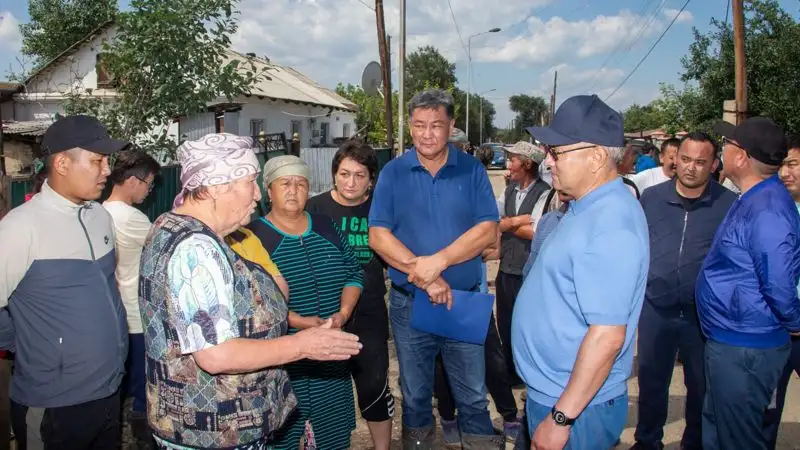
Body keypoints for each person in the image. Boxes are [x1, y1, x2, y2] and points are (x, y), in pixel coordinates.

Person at [139, 134, 362, 449]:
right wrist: (302, 345)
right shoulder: (197, 249)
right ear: (218, 186)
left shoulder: (168, 225)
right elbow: (217, 354)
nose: (258, 194)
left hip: (194, 425)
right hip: (214, 432)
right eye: (251, 183)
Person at [368, 89, 503, 449]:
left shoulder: (471, 170)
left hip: (461, 302)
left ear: (451, 126)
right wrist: (425, 277)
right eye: (419, 125)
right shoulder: (393, 173)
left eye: (436, 125)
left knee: (473, 395)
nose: (427, 134)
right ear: (409, 127)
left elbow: (487, 231)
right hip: (409, 303)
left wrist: (438, 262)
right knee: (414, 396)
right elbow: (379, 237)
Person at [515, 95, 649, 450]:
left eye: (556, 152)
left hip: (575, 407)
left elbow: (607, 337)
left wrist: (561, 418)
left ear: (596, 157)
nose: (547, 161)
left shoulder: (610, 225)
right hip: (557, 392)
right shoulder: (585, 206)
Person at [0, 115, 130, 449]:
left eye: (107, 161)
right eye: (98, 161)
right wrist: (28, 346)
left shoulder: (100, 216)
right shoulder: (20, 228)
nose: (107, 170)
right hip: (53, 405)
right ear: (61, 163)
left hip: (108, 393)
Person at [228, 154, 364, 449]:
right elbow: (252, 302)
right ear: (269, 191)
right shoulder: (252, 237)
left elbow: (354, 273)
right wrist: (301, 323)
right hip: (283, 358)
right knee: (283, 432)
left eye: (301, 184)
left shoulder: (327, 227)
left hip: (331, 351)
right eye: (284, 183)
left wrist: (343, 313)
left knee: (334, 432)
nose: (293, 190)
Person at [696, 118, 800, 450]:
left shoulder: (767, 209)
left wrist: (795, 322)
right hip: (732, 339)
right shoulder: (753, 197)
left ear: (741, 157)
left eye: (727, 144)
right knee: (720, 428)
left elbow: (780, 283)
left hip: (746, 347)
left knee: (739, 438)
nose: (721, 148)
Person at [631, 132, 736, 450]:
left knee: (701, 385)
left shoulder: (729, 205)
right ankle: (648, 441)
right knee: (651, 382)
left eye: (701, 162)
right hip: (655, 310)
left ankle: (695, 442)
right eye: (686, 159)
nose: (691, 168)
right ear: (675, 159)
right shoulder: (651, 198)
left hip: (702, 315)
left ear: (714, 164)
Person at [305, 140, 395, 450]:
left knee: (373, 386)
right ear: (334, 174)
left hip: (369, 310)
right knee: (325, 391)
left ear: (372, 178)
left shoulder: (381, 208)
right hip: (324, 311)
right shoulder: (314, 208)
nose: (351, 182)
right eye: (344, 174)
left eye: (359, 175)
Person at [102, 149, 161, 449]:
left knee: (120, 382)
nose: (149, 191)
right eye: (149, 184)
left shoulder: (100, 212)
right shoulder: (132, 218)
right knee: (141, 383)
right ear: (134, 180)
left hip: (116, 311)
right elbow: (163, 250)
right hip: (137, 315)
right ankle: (141, 436)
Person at [495, 140, 551, 388]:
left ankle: (529, 374)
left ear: (528, 164)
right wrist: (516, 221)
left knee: (528, 326)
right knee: (505, 323)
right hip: (507, 268)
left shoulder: (546, 193)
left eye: (513, 159)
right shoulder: (508, 191)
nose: (509, 165)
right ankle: (510, 372)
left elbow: (537, 231)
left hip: (530, 271)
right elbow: (494, 222)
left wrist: (508, 223)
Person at [766, 134, 800, 449]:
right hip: (776, 327)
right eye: (782, 165)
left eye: (793, 164)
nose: (785, 173)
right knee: (769, 406)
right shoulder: (771, 209)